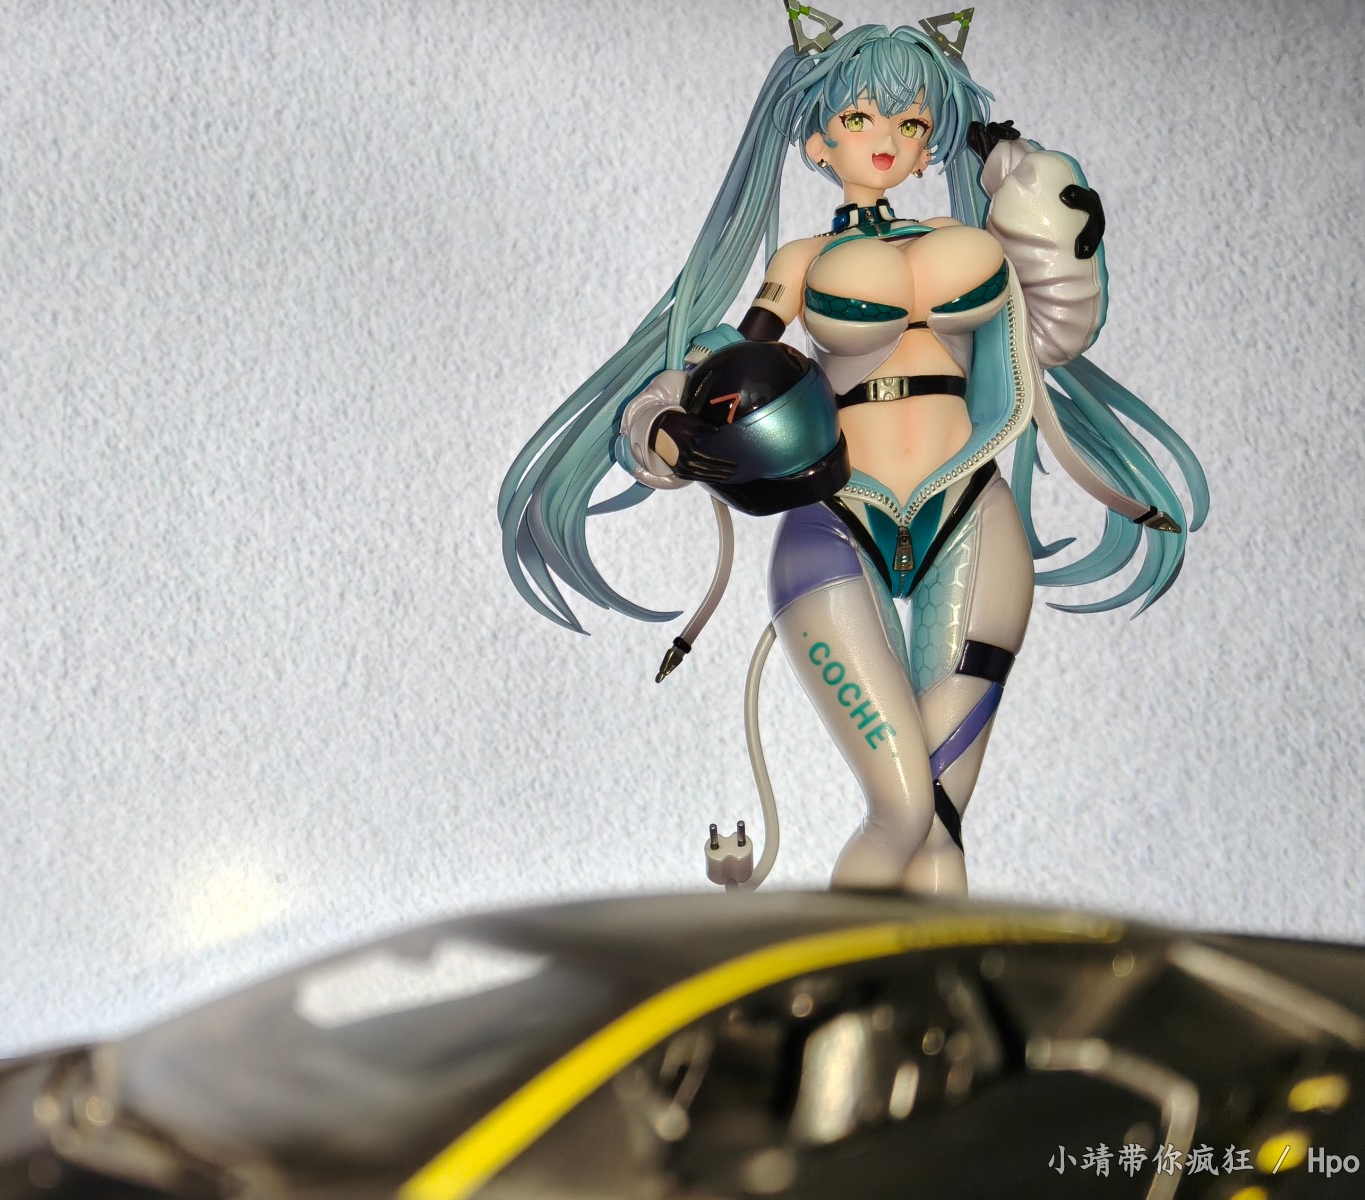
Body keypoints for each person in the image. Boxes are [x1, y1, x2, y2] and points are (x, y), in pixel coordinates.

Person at [498, 12, 1208, 893]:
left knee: (940, 827)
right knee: (900, 811)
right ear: (815, 142)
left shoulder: (968, 239)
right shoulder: (803, 260)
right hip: (837, 520)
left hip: (969, 510)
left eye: (911, 123)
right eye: (861, 117)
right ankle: (837, 965)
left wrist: (1031, 182)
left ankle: (936, 981)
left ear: (931, 142)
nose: (887, 140)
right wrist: (663, 428)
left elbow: (1056, 325)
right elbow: (722, 357)